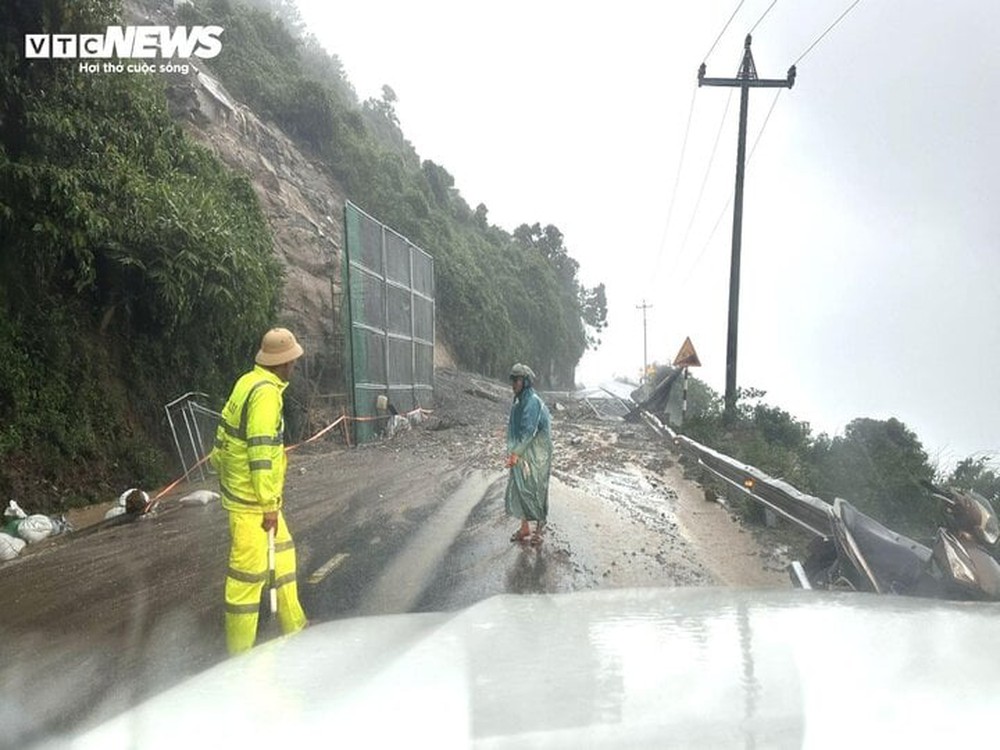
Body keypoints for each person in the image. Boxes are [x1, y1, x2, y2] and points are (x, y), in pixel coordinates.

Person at [210, 327, 308, 655]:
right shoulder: (266, 394)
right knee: (246, 580)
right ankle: (240, 657)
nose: (294, 365)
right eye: (292, 359)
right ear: (283, 363)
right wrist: (268, 504)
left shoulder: (247, 381)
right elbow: (260, 453)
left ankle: (295, 628)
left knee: (283, 557)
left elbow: (222, 444)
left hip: (251, 497)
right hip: (253, 503)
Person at [504, 363, 553, 545]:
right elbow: (516, 430)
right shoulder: (519, 402)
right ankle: (525, 528)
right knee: (521, 486)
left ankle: (539, 531)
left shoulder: (532, 402)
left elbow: (529, 431)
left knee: (538, 488)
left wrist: (516, 453)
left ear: (525, 381)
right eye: (513, 380)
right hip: (525, 451)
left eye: (517, 380)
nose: (513, 384)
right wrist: (514, 452)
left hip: (539, 452)